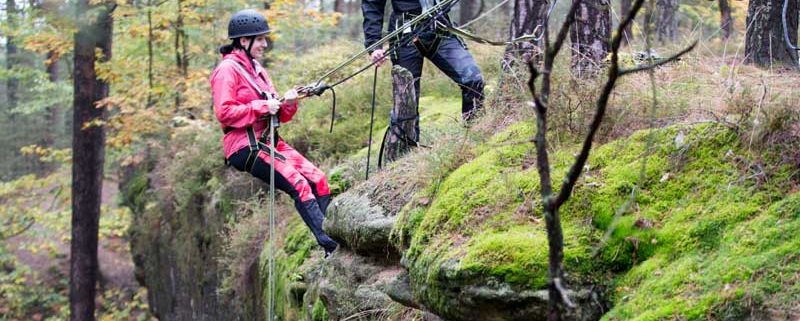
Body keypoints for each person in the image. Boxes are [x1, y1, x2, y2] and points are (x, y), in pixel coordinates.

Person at [210, 9, 338, 257]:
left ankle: (336, 234)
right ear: (243, 41)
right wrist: (262, 107)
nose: (265, 45)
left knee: (318, 178)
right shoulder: (227, 70)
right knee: (299, 184)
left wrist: (288, 102)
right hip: (246, 146)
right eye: (260, 39)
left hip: (269, 140)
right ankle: (332, 247)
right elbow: (224, 112)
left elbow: (279, 114)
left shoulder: (257, 69)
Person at [362, 0, 485, 135]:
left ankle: (475, 134)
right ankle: (406, 151)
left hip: (441, 29)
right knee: (407, 103)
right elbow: (372, 4)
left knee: (473, 79)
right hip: (404, 37)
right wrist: (374, 44)